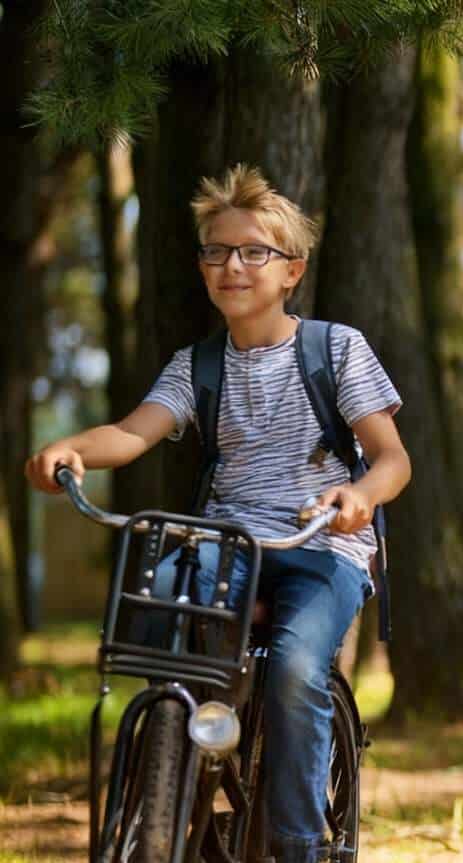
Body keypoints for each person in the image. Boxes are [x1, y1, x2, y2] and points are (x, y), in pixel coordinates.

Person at [26, 165, 409, 863]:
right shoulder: (197, 363)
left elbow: (392, 458)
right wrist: (71, 448)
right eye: (216, 251)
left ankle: (298, 846)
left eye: (253, 251)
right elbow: (132, 432)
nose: (232, 264)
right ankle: (176, 790)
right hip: (228, 540)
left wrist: (359, 495)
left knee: (296, 668)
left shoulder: (336, 348)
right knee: (167, 619)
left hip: (320, 544)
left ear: (291, 270)